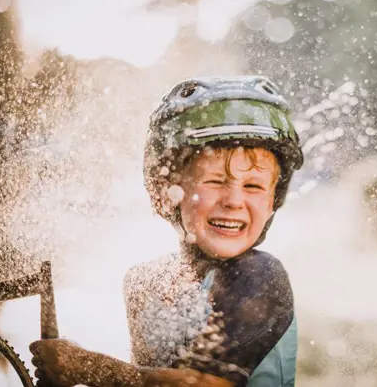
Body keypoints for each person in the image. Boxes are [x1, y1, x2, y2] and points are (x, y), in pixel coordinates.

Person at [29, 76, 304, 387]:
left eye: (253, 186)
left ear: (273, 202)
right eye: (214, 181)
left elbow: (204, 384)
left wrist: (87, 368)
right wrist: (67, 368)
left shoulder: (259, 277)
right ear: (166, 191)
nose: (234, 201)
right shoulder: (145, 282)